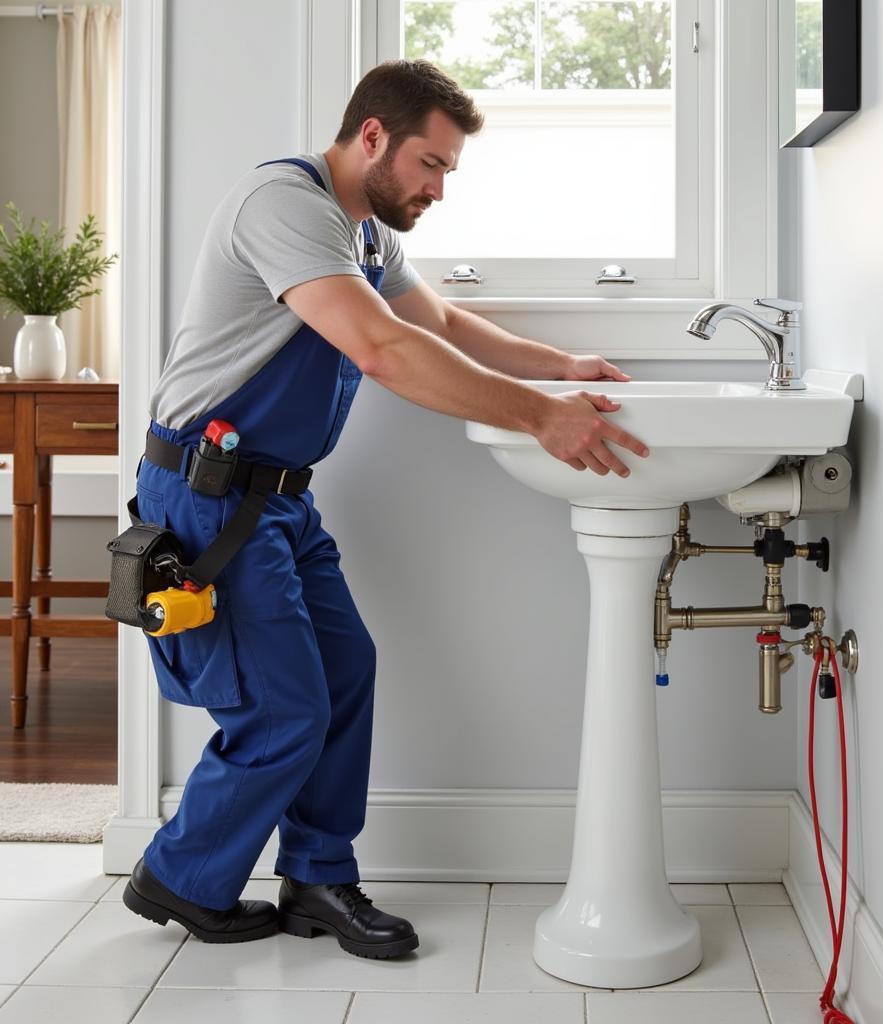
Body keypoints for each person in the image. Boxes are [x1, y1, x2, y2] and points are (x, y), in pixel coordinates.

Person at [121, 59, 649, 959]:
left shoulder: (363, 235)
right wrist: (539, 419)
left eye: (447, 171)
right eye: (430, 165)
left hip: (279, 498)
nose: (439, 187)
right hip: (212, 498)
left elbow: (435, 324)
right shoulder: (283, 207)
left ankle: (318, 876)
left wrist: (558, 368)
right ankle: (179, 875)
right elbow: (383, 350)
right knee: (282, 711)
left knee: (346, 670)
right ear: (372, 136)